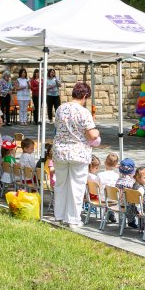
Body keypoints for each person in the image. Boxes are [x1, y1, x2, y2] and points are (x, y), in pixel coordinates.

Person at [52, 82, 100, 227]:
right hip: (78, 152)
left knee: (61, 184)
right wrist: (97, 132)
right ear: (85, 96)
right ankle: (72, 219)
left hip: (60, 150)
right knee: (76, 186)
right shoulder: (83, 112)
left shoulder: (61, 108)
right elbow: (91, 135)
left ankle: (59, 215)